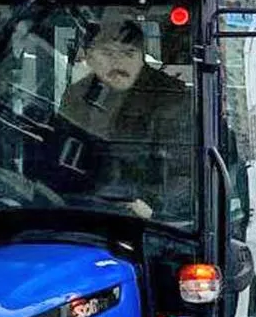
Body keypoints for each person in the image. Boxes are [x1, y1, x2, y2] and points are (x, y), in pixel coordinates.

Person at [57, 15, 192, 220]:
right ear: (90, 56)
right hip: (81, 209)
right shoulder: (76, 96)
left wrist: (156, 211)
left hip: (152, 219)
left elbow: (186, 170)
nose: (118, 62)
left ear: (142, 57)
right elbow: (62, 155)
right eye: (107, 53)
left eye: (129, 53)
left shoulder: (171, 97)